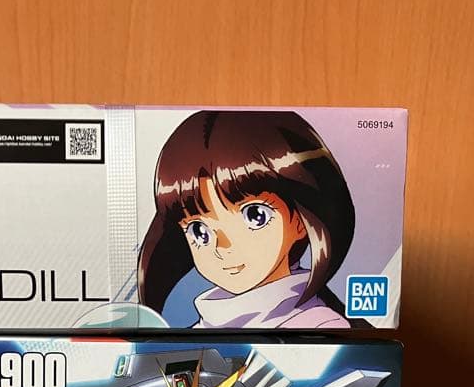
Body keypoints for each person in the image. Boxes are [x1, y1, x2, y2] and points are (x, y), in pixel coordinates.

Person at [138, 110, 355, 328]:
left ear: (300, 220)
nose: (222, 246)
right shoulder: (206, 325)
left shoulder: (318, 325)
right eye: (199, 231)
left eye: (255, 216)